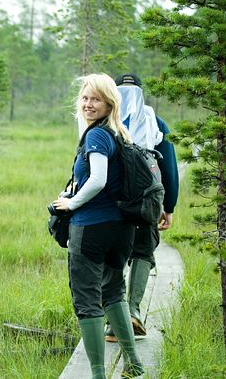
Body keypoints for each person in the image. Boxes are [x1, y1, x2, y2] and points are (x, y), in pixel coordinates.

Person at [52, 73, 144, 379]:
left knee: (87, 299)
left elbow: (98, 179)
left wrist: (72, 203)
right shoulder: (119, 133)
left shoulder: (96, 137)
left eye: (96, 99)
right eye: (85, 98)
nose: (88, 104)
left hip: (91, 228)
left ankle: (97, 374)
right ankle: (133, 362)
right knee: (114, 292)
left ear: (109, 103)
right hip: (120, 229)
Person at [104, 73, 180, 342]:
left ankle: (114, 321)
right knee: (143, 251)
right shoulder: (155, 122)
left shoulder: (106, 122)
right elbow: (168, 168)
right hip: (147, 202)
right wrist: (167, 206)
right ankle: (133, 311)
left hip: (112, 201)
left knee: (114, 254)